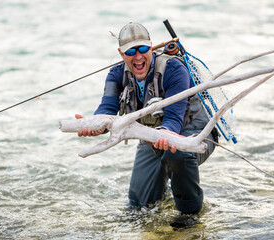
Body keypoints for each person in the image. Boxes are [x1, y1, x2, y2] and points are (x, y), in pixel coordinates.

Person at [76, 22, 217, 217]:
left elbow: (174, 118)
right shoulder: (116, 74)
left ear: (151, 46)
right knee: (138, 208)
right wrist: (95, 126)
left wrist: (165, 133)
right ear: (121, 53)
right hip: (151, 138)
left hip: (194, 131)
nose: (138, 56)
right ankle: (165, 193)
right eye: (130, 51)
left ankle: (190, 217)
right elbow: (107, 110)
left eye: (143, 48)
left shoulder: (174, 69)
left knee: (176, 156)